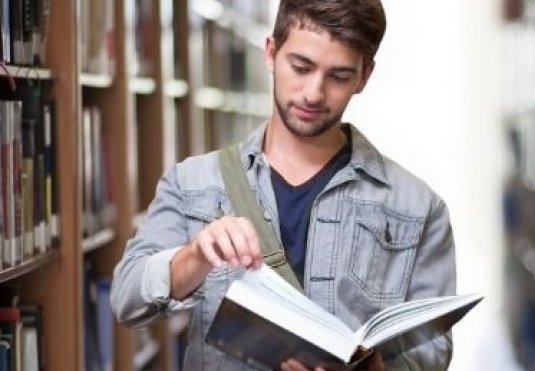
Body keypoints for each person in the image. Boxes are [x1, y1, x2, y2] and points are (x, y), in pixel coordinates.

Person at [110, 0, 456, 370]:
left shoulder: (419, 207)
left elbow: (434, 349)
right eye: (301, 67)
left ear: (365, 76)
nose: (313, 93)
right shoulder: (193, 183)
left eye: (338, 76)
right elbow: (126, 300)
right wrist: (193, 257)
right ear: (271, 53)